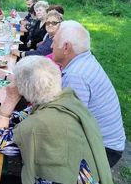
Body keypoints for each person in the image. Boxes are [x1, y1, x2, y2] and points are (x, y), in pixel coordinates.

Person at [0, 56, 113, 184]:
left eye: (14, 80)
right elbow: (20, 116)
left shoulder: (38, 125)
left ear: (22, 88)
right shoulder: (66, 99)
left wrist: (10, 100)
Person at [52, 20, 126, 167]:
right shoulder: (84, 60)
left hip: (104, 149)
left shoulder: (76, 75)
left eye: (54, 42)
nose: (51, 46)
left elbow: (68, 126)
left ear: (66, 48)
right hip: (106, 141)